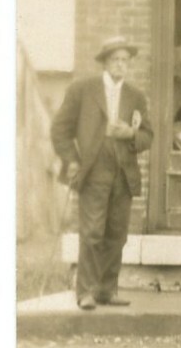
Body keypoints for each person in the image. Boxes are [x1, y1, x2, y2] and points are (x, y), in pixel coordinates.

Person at [50, 36, 153, 311]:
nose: (121, 64)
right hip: (94, 172)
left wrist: (130, 133)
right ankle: (86, 292)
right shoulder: (82, 90)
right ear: (105, 62)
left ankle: (107, 290)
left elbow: (148, 136)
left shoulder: (135, 96)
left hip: (123, 174)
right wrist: (71, 160)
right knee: (92, 232)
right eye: (116, 59)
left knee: (117, 234)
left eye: (125, 60)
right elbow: (59, 130)